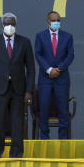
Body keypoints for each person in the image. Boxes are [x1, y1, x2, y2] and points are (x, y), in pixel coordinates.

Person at [0, 13, 34, 158]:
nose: (9, 26)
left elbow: (30, 68)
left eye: (12, 23)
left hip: (18, 89)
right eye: (6, 24)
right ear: (2, 25)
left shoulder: (24, 42)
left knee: (17, 122)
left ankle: (17, 153)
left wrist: (29, 91)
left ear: (16, 25)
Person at [33, 11, 74, 140]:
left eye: (58, 20)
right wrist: (49, 69)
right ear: (47, 21)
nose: (56, 22)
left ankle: (62, 140)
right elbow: (38, 54)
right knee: (44, 109)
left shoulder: (67, 36)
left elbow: (70, 55)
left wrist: (59, 69)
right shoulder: (40, 36)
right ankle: (45, 140)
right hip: (45, 79)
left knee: (63, 110)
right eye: (53, 20)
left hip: (62, 79)